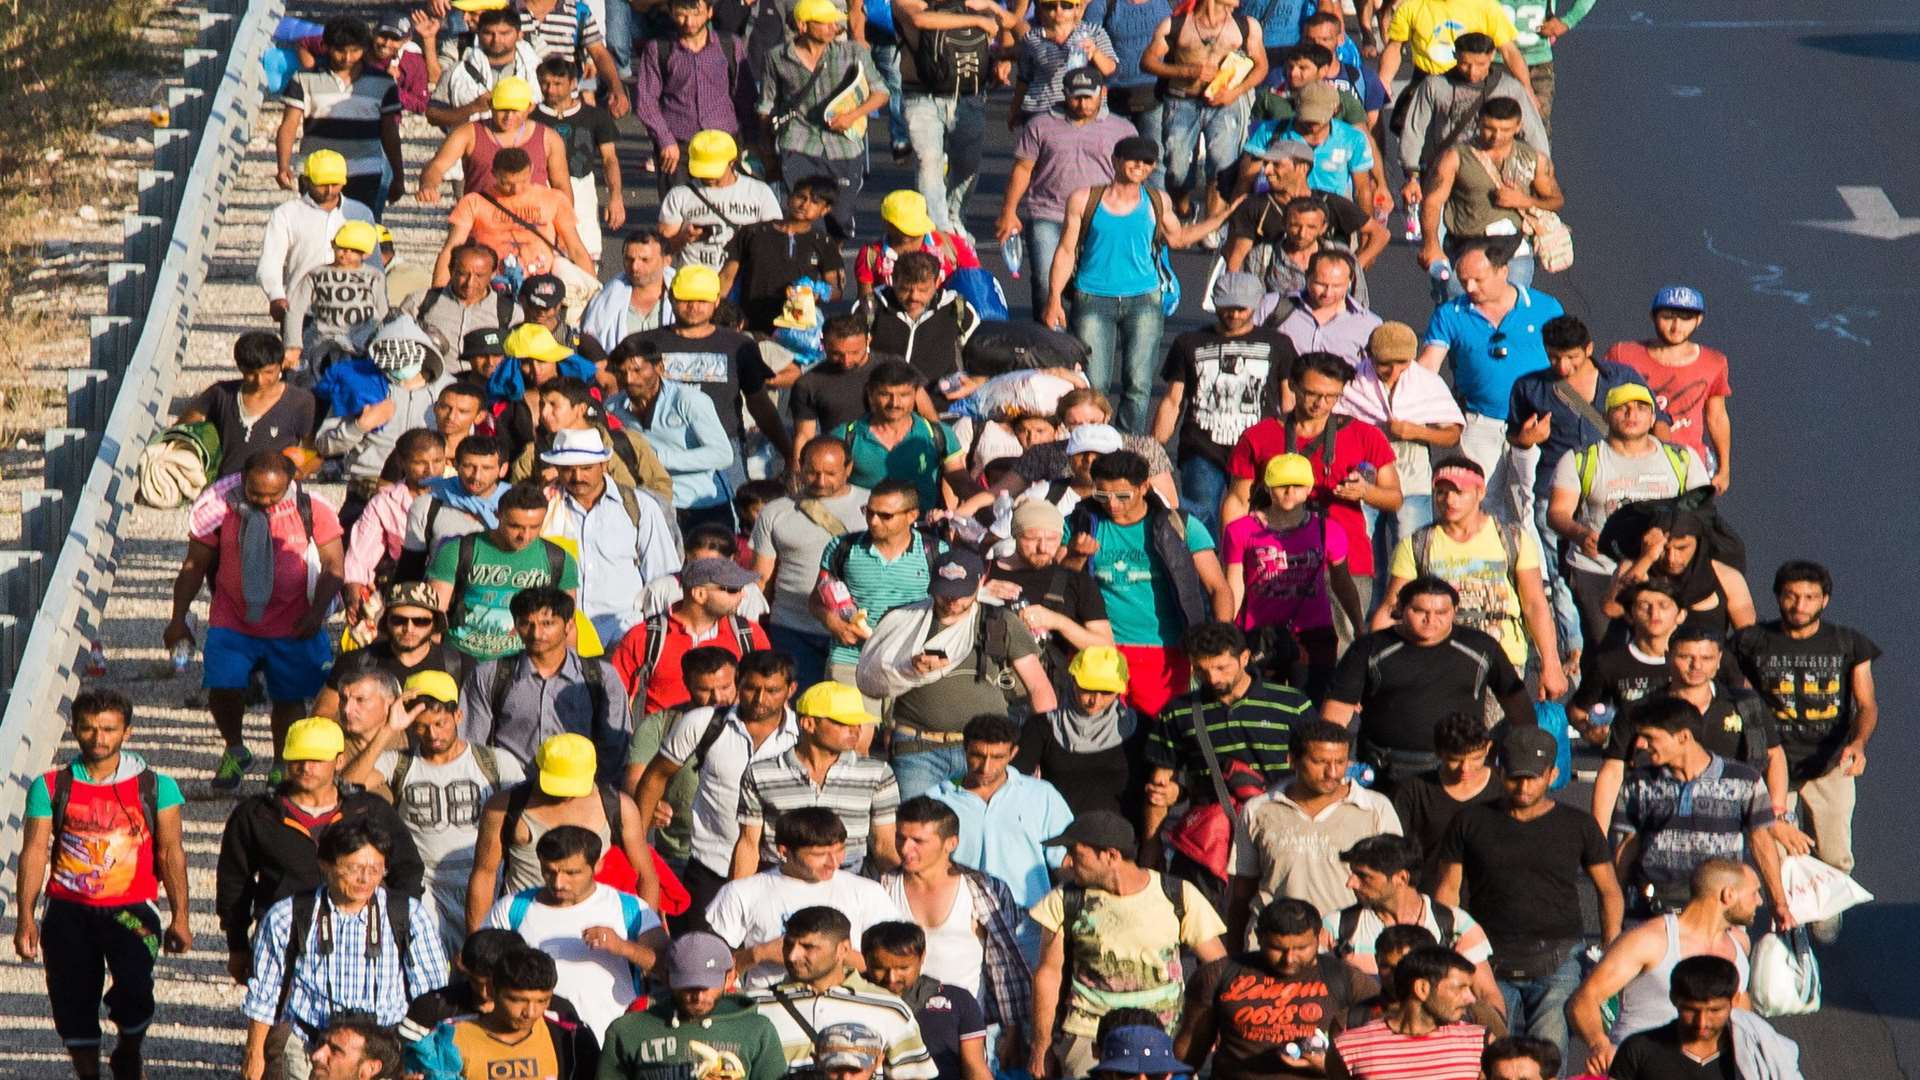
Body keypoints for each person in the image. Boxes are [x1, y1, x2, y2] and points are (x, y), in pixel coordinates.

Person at [15, 690, 190, 1080]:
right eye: (89, 729)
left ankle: (129, 1048)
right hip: (67, 911)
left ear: (126, 732)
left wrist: (181, 916)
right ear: (75, 729)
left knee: (135, 987)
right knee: (71, 998)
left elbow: (171, 853)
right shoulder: (50, 787)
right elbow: (34, 852)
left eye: (109, 729)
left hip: (133, 910)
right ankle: (88, 1074)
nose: (98, 738)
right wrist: (24, 916)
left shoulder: (158, 788)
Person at [1435, 726, 1623, 1056]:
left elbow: (1609, 890)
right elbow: (1447, 891)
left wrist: (1610, 949)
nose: (1523, 787)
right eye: (1515, 777)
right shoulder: (1470, 821)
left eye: (1533, 777)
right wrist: (1450, 951)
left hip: (1560, 959)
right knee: (1488, 1059)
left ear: (1553, 774)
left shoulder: (1578, 825)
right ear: (1499, 771)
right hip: (1486, 961)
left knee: (1547, 1061)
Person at [165, 451, 345, 788]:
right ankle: (234, 748)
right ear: (243, 481)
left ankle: (280, 762)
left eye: (272, 495)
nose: (263, 501)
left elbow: (334, 566)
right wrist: (178, 619)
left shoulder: (313, 509)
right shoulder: (219, 505)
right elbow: (194, 565)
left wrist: (316, 613)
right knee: (221, 686)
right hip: (233, 617)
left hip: (293, 622)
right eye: (255, 493)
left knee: (289, 697)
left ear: (290, 483)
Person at [1043, 137, 1241, 434]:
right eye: (1133, 159)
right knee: (1093, 383)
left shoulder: (1157, 201)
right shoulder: (1085, 199)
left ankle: (1127, 443)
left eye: (1147, 162)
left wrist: (1222, 217)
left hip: (1144, 300)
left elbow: (1179, 238)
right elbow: (1066, 250)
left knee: (1139, 383)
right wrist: (1054, 299)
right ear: (1116, 160)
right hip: (1093, 297)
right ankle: (1093, 441)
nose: (1140, 166)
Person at [1731, 560, 1879, 941]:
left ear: (1824, 600)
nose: (1800, 605)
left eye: (1810, 597)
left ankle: (1825, 903)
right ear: (1779, 597)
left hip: (1829, 763)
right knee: (1775, 846)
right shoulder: (1752, 642)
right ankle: (1788, 909)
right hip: (1772, 762)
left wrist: (1858, 743)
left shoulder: (1848, 643)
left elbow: (1866, 704)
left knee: (1833, 852)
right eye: (1792, 596)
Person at [217, 717, 426, 985]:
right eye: (298, 758)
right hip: (284, 935)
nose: (306, 767)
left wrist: (400, 926)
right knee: (273, 1019)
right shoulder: (255, 815)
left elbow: (406, 868)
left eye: (317, 759)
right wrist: (237, 946)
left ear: (339, 761)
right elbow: (234, 882)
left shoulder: (369, 810)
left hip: (362, 935)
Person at [240, 820, 449, 1080]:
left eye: (375, 869)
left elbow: (431, 994)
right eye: (354, 868)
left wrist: (422, 1059)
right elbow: (264, 995)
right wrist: (254, 1055)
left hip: (385, 1051)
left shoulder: (408, 915)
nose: (366, 879)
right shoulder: (288, 916)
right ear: (326, 865)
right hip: (310, 1045)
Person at [1028, 811, 1229, 1078]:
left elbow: (1218, 968)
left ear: (1111, 855)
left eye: (1077, 853)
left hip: (1164, 1035)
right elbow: (1048, 974)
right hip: (1090, 1036)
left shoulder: (1176, 895)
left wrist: (1214, 1025)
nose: (1068, 861)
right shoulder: (1063, 900)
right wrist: (1041, 1047)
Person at [341, 670, 526, 949]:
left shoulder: (495, 762)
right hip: (428, 890)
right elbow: (347, 788)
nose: (433, 734)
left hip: (487, 884)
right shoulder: (399, 763)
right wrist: (388, 729)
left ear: (459, 717)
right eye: (422, 726)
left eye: (440, 723)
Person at [1219, 352, 1402, 630]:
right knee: (1263, 648)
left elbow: (1395, 498)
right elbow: (1237, 500)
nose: (1321, 404)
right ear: (1292, 385)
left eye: (1331, 396)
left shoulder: (1365, 435)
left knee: (1340, 650)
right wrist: (1233, 556)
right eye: (1312, 394)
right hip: (1271, 561)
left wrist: (1365, 492)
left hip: (1345, 559)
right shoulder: (1259, 436)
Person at [856, 549, 1058, 798]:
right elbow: (874, 677)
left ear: (980, 582)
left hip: (986, 754)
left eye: (962, 593)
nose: (952, 600)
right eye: (945, 591)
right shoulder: (904, 621)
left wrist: (1040, 751)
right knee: (916, 830)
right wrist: (910, 669)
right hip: (918, 750)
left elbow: (1040, 689)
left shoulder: (999, 621)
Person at [1373, 456, 1563, 701]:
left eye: (1458, 492)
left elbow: (1534, 604)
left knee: (1497, 737)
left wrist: (1551, 663)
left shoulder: (1512, 539)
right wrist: (1369, 664)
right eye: (1441, 492)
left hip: (1503, 659)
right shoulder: (1417, 545)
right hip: (1438, 661)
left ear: (1480, 492)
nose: (1449, 500)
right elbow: (1392, 608)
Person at [1063, 450, 1235, 716]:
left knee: (1159, 732)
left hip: (1163, 651)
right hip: (1099, 647)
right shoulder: (1079, 523)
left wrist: (1222, 640)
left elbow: (1217, 587)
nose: (1112, 504)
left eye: (1122, 495)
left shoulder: (1181, 525)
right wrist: (1075, 556)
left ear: (1144, 487)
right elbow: (1060, 585)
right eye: (1101, 495)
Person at [1145, 621, 1316, 886]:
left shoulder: (1292, 704)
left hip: (1284, 832)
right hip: (1213, 840)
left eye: (1221, 667)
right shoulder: (1178, 711)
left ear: (1245, 658)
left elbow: (1317, 769)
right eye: (1201, 670)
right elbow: (1159, 785)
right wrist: (1151, 844)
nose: (1213, 678)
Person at [1323, 577, 1531, 788]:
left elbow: (1516, 702)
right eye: (1419, 611)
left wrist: (1527, 753)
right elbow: (1338, 709)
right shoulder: (1370, 648)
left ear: (1454, 611)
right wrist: (1330, 761)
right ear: (1401, 608)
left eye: (1441, 613)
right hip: (1386, 771)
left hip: (1460, 773)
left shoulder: (1481, 647)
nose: (1431, 620)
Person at [1546, 383, 1710, 647]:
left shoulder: (1681, 459)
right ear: (1607, 415)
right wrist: (1579, 533)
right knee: (1605, 654)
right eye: (1623, 408)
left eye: (1641, 408)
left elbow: (1703, 513)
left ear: (1653, 417)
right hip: (1599, 570)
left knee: (1668, 651)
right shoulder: (1582, 459)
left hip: (1663, 571)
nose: (1632, 414)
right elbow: (1557, 512)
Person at [1414, 240, 1564, 528]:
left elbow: (1569, 362)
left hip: (1534, 423)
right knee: (1481, 504)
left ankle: (1538, 573)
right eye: (1464, 279)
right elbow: (1428, 368)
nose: (1469, 288)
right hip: (1479, 423)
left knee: (1531, 504)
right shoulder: (1450, 313)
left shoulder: (1545, 307)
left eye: (1478, 280)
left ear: (1503, 272)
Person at [1568, 858, 1758, 1070]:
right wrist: (1600, 1045)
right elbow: (1584, 999)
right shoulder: (1651, 939)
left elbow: (1742, 1019)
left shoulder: (1738, 947)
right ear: (1728, 894)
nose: (1759, 901)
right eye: (1754, 893)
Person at [1610, 699, 1789, 924]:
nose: (1641, 745)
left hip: (1719, 913)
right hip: (1653, 911)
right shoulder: (1638, 782)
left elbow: (1761, 841)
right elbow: (1627, 845)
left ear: (1684, 737)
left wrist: (1779, 902)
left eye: (1650, 737)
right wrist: (1614, 915)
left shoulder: (1745, 780)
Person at [877, 798, 1034, 1053]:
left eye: (918, 841)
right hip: (897, 1025)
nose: (906, 849)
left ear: (951, 843)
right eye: (900, 838)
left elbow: (1005, 965)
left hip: (965, 1032)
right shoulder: (881, 888)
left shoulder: (983, 890)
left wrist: (1012, 1028)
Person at [482, 825, 668, 1040]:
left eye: (572, 873)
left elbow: (667, 966)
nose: (559, 883)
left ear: (597, 865)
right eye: (549, 872)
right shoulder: (512, 908)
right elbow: (482, 967)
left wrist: (623, 947)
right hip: (539, 1042)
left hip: (610, 1039)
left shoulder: (631, 908)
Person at [1149, 271, 1297, 538]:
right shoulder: (1189, 342)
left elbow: (1288, 399)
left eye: (1241, 309)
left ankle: (1248, 572)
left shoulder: (1278, 344)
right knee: (1200, 513)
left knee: (1258, 515)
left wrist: (1291, 445)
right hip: (1202, 444)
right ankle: (1204, 573)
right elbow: (1173, 398)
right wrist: (1155, 445)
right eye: (1226, 309)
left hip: (1258, 446)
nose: (1234, 315)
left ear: (1255, 305)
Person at [1228, 720, 1401, 936]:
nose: (1332, 772)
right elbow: (1242, 891)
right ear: (1292, 760)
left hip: (1349, 945)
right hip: (1273, 944)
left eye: (1340, 762)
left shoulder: (1375, 808)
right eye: (1320, 762)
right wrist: (1234, 955)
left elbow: (1396, 887)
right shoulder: (1258, 810)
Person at [468, 732, 661, 924]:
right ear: (537, 767)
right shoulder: (503, 806)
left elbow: (646, 876)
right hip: (524, 927)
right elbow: (484, 874)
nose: (565, 795)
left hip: (594, 931)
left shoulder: (619, 807)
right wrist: (477, 942)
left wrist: (644, 933)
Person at [708, 806, 906, 987]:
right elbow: (709, 968)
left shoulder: (867, 892)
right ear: (784, 851)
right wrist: (759, 953)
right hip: (770, 1007)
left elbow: (894, 965)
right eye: (819, 854)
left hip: (847, 1006)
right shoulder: (741, 892)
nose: (833, 862)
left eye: (839, 851)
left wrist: (830, 955)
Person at [930, 716, 1077, 958]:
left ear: (1013, 753)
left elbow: (1066, 863)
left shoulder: (1042, 795)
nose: (986, 767)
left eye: (997, 757)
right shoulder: (937, 800)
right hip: (962, 925)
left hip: (1028, 926)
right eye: (977, 755)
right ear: (964, 750)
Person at [1220, 453, 1362, 696]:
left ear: (1309, 489)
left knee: (1311, 704)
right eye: (1282, 485)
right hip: (1259, 634)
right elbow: (1234, 584)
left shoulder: (1328, 530)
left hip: (1313, 634)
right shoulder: (1240, 530)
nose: (1290, 492)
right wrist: (1225, 634)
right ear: (1267, 487)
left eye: (1297, 486)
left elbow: (1342, 582)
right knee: (1260, 706)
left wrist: (1359, 626)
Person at [995, 68, 1136, 313]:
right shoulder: (1041, 124)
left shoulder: (1122, 129)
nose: (1082, 103)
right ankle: (1048, 338)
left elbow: (1134, 177)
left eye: (1088, 97)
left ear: (1102, 93)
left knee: (1090, 285)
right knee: (1044, 279)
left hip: (1098, 217)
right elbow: (1023, 169)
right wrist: (1009, 212)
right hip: (1048, 213)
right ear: (1064, 94)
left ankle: (1081, 338)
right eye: (1076, 97)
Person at [1176, 898, 1364, 1078]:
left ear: (1319, 937)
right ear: (1259, 937)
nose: (1289, 958)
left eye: (1301, 948)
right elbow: (1189, 1050)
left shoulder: (1348, 980)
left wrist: (1327, 1066)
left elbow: (1380, 1058)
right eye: (1277, 948)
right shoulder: (1217, 975)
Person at [744, 906, 939, 1076]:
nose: (793, 956)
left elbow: (914, 1076)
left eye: (808, 947)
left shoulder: (891, 1007)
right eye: (788, 944)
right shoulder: (753, 1005)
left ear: (843, 949)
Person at [459, 588, 632, 778]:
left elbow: (615, 751)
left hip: (580, 794)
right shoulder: (488, 676)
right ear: (515, 626)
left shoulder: (601, 677)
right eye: (526, 623)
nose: (536, 633)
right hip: (509, 793)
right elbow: (471, 748)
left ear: (568, 625)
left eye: (547, 623)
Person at [733, 682, 901, 875]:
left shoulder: (878, 773)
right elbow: (748, 844)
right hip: (780, 881)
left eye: (858, 723)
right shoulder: (760, 773)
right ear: (809, 723)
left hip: (848, 884)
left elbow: (885, 846)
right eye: (843, 723)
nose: (856, 730)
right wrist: (736, 898)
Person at [1336, 323, 1463, 580]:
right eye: (1385, 365)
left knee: (1411, 554)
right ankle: (1369, 616)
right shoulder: (1352, 382)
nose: (1394, 372)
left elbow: (1452, 434)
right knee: (1364, 557)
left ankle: (1406, 614)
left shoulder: (1426, 382)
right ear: (1369, 355)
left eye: (1402, 364)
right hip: (1364, 481)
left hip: (1411, 481)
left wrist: (1417, 432)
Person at [755, 0, 889, 239]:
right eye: (825, 22)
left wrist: (853, 116)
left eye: (834, 21)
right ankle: (808, 267)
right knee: (806, 214)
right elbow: (766, 105)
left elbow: (881, 92)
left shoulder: (852, 53)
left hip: (844, 147)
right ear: (802, 25)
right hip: (798, 143)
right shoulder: (776, 58)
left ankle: (832, 266)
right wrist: (767, 152)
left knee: (839, 219)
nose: (833, 27)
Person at [1323, 835, 1501, 1015]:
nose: (1350, 883)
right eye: (1352, 874)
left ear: (1401, 878)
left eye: (1364, 876)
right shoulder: (1336, 927)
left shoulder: (1455, 925)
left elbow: (1487, 995)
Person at [540, 428, 684, 642]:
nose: (578, 477)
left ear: (604, 465)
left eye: (586, 468)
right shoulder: (544, 508)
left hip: (624, 633)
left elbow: (663, 577)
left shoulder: (639, 506)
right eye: (569, 469)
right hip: (562, 637)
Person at [631, 264, 787, 457]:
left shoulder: (739, 346)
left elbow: (759, 403)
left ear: (716, 301)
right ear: (671, 298)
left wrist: (788, 453)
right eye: (685, 300)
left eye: (702, 301)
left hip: (724, 448)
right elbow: (620, 398)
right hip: (658, 448)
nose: (693, 307)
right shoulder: (639, 344)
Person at [316, 315, 456, 527]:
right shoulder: (360, 386)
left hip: (427, 494)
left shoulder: (448, 391)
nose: (398, 365)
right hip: (366, 491)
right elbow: (324, 445)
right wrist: (359, 426)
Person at [753, 437, 871, 686]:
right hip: (791, 630)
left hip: (854, 632)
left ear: (848, 469)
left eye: (830, 473)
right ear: (800, 467)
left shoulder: (873, 508)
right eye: (812, 473)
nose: (821, 481)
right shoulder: (775, 512)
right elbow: (762, 579)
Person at [1139, 0, 1265, 233]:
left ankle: (1211, 228)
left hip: (1225, 104)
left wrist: (1235, 93)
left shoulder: (1245, 26)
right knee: (1176, 169)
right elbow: (1147, 62)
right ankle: (1185, 209)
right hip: (1182, 101)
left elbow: (1261, 66)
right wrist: (1186, 71)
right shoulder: (1175, 24)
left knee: (1222, 165)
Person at [891, 0, 1015, 237]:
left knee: (968, 162)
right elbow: (920, 20)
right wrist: (977, 19)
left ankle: (954, 216)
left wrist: (1004, 57)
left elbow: (1008, 23)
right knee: (929, 161)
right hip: (921, 97)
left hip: (968, 96)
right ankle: (939, 230)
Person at [598, 931, 787, 1080]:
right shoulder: (628, 1030)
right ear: (667, 977)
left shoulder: (756, 1029)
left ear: (730, 977)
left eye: (707, 986)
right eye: (687, 986)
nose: (698, 996)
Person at [1417, 98, 1562, 293]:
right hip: (1466, 246)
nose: (1496, 136)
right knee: (1459, 312)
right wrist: (1431, 244)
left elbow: (1556, 200)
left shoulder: (1534, 159)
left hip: (1513, 251)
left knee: (1512, 312)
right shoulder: (1455, 156)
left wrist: (1524, 200)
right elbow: (1432, 202)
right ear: (1479, 122)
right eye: (1489, 128)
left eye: (1505, 130)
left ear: (1519, 126)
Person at [814, 478, 945, 689]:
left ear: (912, 515)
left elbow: (949, 612)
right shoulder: (842, 547)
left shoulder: (936, 552)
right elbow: (816, 599)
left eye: (885, 516)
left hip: (909, 664)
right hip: (851, 662)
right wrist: (832, 622)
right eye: (868, 512)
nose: (873, 521)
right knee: (852, 724)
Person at [426, 483, 579, 662]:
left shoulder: (559, 559)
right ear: (498, 515)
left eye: (534, 527)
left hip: (523, 665)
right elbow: (433, 617)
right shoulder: (457, 551)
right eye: (516, 526)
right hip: (462, 661)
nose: (525, 535)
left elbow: (568, 624)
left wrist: (571, 671)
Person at [1606, 285, 1733, 491]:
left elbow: (1717, 416)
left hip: (1688, 467)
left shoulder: (1714, 362)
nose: (1676, 327)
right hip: (1628, 464)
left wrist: (1724, 468)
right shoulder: (1623, 354)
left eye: (1686, 318)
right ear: (1653, 316)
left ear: (1699, 320)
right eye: (1668, 317)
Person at [407, 945, 599, 1080]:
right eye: (518, 1000)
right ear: (491, 991)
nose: (530, 1012)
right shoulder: (448, 1038)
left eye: (542, 1001)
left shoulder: (571, 1037)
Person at [276, 17, 405, 217]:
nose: (347, 58)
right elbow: (289, 125)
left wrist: (398, 175)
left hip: (364, 171)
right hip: (316, 172)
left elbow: (390, 132)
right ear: (326, 47)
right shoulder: (303, 79)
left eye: (354, 50)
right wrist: (283, 166)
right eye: (340, 51)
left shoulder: (384, 83)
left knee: (358, 235)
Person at [1395, 32, 1547, 198]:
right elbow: (1415, 129)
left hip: (1498, 176)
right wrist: (1412, 175)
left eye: (1480, 64)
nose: (1472, 71)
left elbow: (1533, 133)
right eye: (1465, 64)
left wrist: (1543, 175)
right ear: (1455, 56)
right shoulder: (1435, 86)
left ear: (1492, 56)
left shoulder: (1510, 88)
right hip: (1448, 170)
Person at [609, 557, 769, 715]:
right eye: (733, 590)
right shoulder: (644, 637)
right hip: (661, 738)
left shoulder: (749, 634)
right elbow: (616, 700)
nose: (743, 595)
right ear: (699, 594)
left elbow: (769, 691)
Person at [1606, 956, 1804, 1080]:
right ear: (1674, 999)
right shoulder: (1638, 1050)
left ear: (1734, 1000)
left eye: (1714, 1011)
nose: (1702, 1022)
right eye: (1692, 1010)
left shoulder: (1753, 1057)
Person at [985, 499, 1115, 684]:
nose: (1043, 548)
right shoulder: (984, 573)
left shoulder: (1076, 582)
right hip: (991, 685)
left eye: (1052, 539)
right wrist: (977, 596)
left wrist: (1058, 622)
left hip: (1054, 690)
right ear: (1015, 534)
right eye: (1031, 538)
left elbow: (1106, 648)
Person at [633, 0, 758, 188]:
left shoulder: (729, 45)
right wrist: (665, 141)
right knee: (679, 213)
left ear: (709, 12)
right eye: (681, 14)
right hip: (678, 148)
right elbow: (646, 101)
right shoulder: (658, 49)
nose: (689, 22)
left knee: (724, 212)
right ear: (670, 12)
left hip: (723, 145)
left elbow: (745, 97)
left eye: (696, 14)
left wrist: (752, 143)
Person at [432, 147, 593, 286]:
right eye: (506, 183)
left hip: (541, 285)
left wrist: (593, 292)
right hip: (492, 284)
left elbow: (576, 248)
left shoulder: (554, 199)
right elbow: (451, 250)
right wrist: (437, 292)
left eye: (523, 181)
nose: (515, 190)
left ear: (531, 170)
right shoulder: (474, 202)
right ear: (494, 174)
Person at [1016, 645, 1143, 822]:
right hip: (1057, 836)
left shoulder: (1138, 728)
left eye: (1107, 692)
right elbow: (1014, 783)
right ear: (1072, 682)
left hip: (1117, 842)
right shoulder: (1041, 727)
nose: (1095, 701)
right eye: (1088, 689)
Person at [1325, 946, 1486, 1080]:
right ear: (1422, 989)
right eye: (1460, 988)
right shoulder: (1348, 1049)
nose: (1470, 998)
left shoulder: (1480, 1044)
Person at [1387, 711, 1503, 894]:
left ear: (1488, 748)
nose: (1465, 768)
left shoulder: (1503, 790)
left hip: (1489, 898)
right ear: (1439, 753)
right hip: (1428, 898)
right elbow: (1395, 851)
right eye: (1454, 760)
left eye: (1475, 759)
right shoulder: (1412, 791)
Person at [177, 331, 318, 480]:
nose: (260, 380)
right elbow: (183, 429)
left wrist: (299, 472)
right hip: (224, 488)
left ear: (281, 364)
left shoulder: (300, 401)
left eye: (268, 372)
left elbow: (314, 451)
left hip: (275, 491)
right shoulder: (220, 394)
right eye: (251, 373)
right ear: (240, 367)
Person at [862, 922, 994, 1080]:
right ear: (865, 959)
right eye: (880, 968)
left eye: (903, 968)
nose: (892, 978)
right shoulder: (847, 1002)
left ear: (922, 957)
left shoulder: (958, 1001)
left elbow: (975, 1067)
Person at [832, 360, 969, 511]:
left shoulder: (938, 434)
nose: (894, 403)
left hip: (922, 528)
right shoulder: (845, 436)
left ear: (916, 394)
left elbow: (960, 481)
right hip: (864, 527)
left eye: (904, 395)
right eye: (885, 394)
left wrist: (988, 513)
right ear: (870, 394)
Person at [258, 150, 378, 322]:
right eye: (322, 184)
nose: (329, 190)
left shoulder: (360, 212)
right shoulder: (286, 214)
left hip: (354, 311)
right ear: (306, 181)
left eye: (335, 184)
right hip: (302, 311)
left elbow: (374, 262)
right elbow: (270, 261)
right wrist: (276, 296)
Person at [341, 430, 446, 618]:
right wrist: (355, 592)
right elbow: (360, 556)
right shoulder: (384, 503)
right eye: (420, 463)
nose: (430, 470)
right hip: (404, 591)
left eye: (438, 461)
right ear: (403, 462)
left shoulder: (457, 499)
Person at [417, 77, 572, 204]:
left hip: (533, 229)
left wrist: (565, 230)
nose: (508, 117)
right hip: (483, 229)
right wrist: (428, 185)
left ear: (530, 107)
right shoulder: (468, 133)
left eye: (515, 110)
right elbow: (437, 166)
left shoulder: (548, 138)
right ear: (491, 105)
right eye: (503, 110)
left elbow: (561, 187)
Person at [720, 178, 846, 334]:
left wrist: (815, 294)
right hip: (750, 323)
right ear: (789, 198)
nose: (804, 205)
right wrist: (718, 312)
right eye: (801, 197)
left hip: (796, 331)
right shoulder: (753, 233)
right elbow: (727, 277)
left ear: (825, 210)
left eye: (814, 201)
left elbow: (836, 289)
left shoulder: (824, 242)